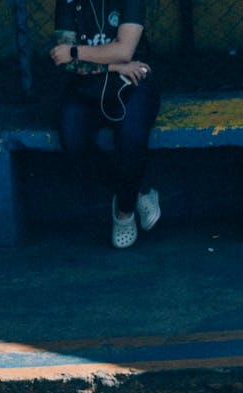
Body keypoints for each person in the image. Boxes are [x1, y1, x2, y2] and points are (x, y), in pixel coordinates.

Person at [50, 0, 161, 249]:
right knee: (73, 140)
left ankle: (124, 212)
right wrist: (113, 65)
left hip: (134, 81)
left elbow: (125, 50)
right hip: (87, 87)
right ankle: (137, 193)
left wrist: (77, 52)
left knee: (130, 136)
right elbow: (62, 58)